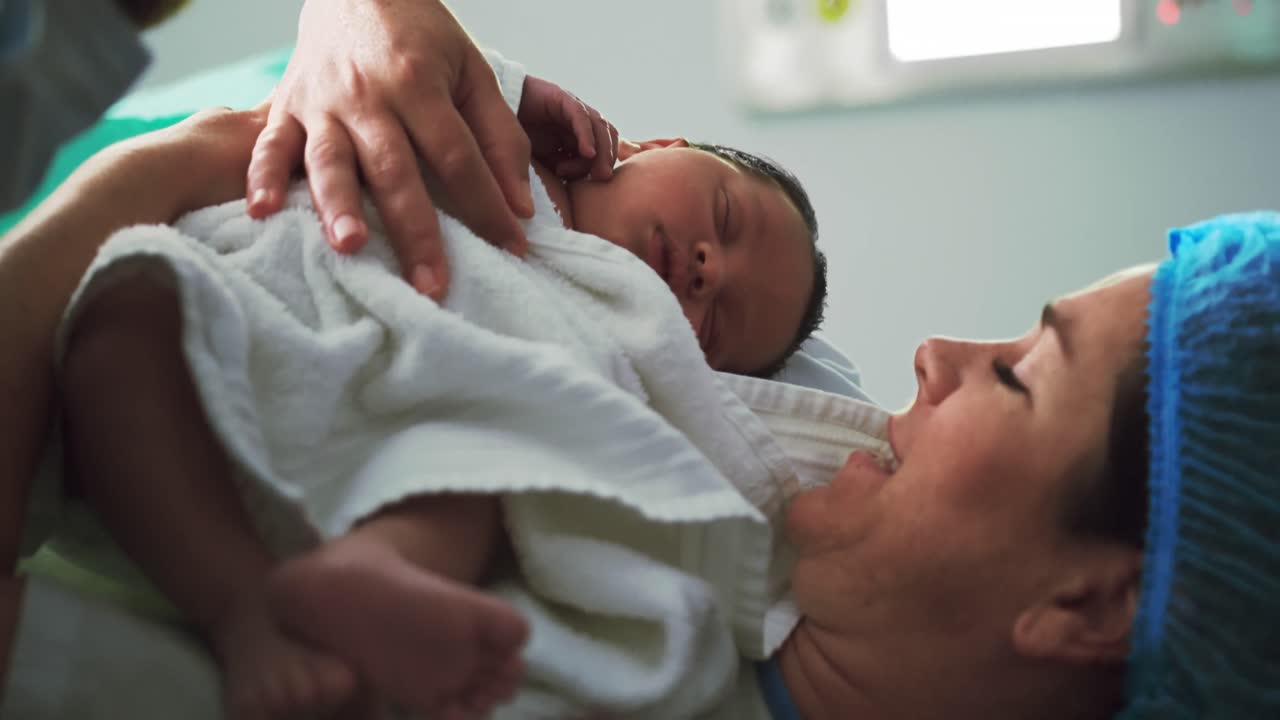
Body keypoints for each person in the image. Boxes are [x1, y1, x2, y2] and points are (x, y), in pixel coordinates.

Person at [4, 106, 1279, 718]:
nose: (936, 355)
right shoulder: (800, 448)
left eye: (1016, 374)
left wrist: (152, 174)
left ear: (1094, 606)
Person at [35, 44, 827, 718]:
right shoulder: (517, 139)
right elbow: (408, 68)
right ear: (659, 147)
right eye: (725, 219)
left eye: (717, 318)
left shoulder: (615, 333)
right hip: (261, 286)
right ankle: (244, 598)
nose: (706, 268)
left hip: (407, 402)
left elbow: (642, 429)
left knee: (484, 473)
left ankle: (309, 591)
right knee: (129, 316)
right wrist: (509, 97)